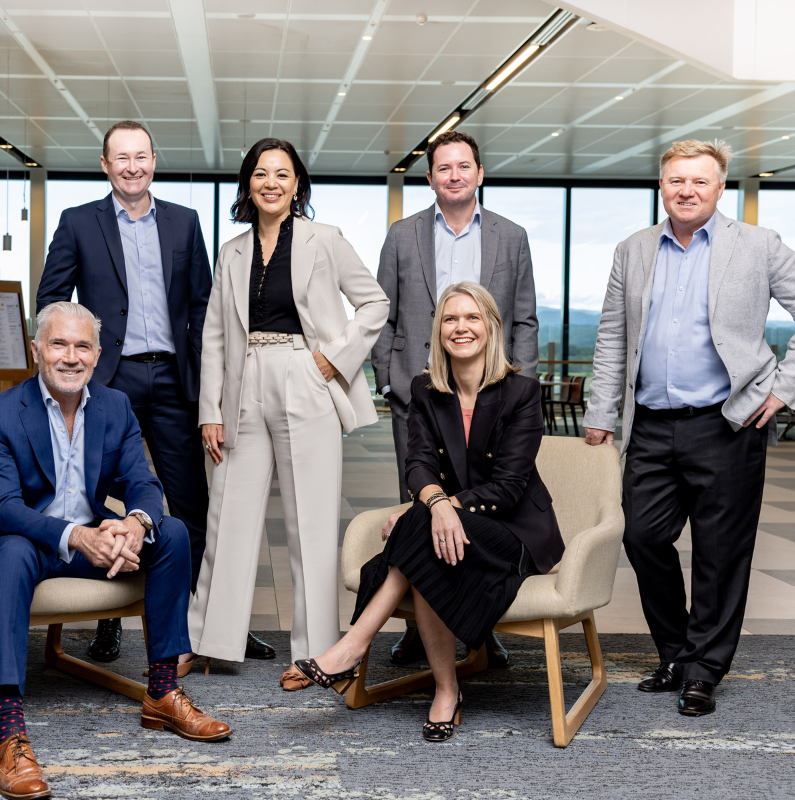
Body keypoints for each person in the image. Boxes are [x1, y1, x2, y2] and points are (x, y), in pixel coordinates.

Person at [0, 302, 231, 800]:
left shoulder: (115, 406)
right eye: (59, 344)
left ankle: (163, 691)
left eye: (83, 346)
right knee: (11, 551)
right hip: (29, 540)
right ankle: (9, 730)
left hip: (92, 539)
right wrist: (78, 536)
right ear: (37, 350)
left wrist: (133, 524)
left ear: (98, 355)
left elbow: (142, 481)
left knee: (175, 534)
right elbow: (4, 508)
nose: (71, 357)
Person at [36, 122, 275, 665]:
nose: (132, 166)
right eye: (121, 158)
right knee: (96, 497)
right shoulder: (78, 223)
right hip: (106, 382)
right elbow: (51, 302)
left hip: (173, 381)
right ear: (105, 165)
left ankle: (207, 624)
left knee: (193, 505)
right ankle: (108, 620)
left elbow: (203, 310)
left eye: (140, 156)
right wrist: (76, 360)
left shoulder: (184, 222)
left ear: (153, 160)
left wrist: (209, 387)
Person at [292, 282, 563, 741]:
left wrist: (437, 506)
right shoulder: (425, 389)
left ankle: (355, 649)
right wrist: (434, 507)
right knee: (428, 541)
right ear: (438, 332)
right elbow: (417, 463)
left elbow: (509, 487)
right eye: (451, 319)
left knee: (421, 526)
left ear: (491, 327)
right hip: (452, 532)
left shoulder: (521, 392)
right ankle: (444, 689)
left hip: (515, 532)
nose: (462, 328)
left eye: (472, 318)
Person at [584, 139, 795, 717]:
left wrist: (783, 390)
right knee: (641, 535)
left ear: (719, 186)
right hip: (650, 424)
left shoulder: (758, 245)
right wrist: (602, 415)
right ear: (661, 185)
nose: (687, 190)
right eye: (677, 180)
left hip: (728, 422)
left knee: (720, 552)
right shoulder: (633, 249)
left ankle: (703, 668)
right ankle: (675, 652)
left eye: (700, 181)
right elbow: (612, 335)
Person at [188, 138, 389, 688]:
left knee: (313, 521)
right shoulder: (230, 251)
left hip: (306, 374)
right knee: (227, 512)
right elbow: (212, 335)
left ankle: (318, 652)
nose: (270, 182)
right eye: (260, 173)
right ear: (247, 184)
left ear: (297, 183)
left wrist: (335, 359)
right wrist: (211, 409)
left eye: (282, 173)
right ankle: (211, 642)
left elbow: (375, 302)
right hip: (243, 379)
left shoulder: (326, 240)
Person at [372, 130, 539, 667]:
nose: (454, 175)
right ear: (430, 178)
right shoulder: (403, 235)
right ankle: (422, 631)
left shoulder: (511, 237)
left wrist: (522, 389)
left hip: (491, 393)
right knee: (425, 492)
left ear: (479, 174)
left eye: (463, 166)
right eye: (443, 168)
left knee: (481, 506)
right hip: (418, 393)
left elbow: (524, 319)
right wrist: (387, 378)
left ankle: (480, 628)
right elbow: (383, 311)